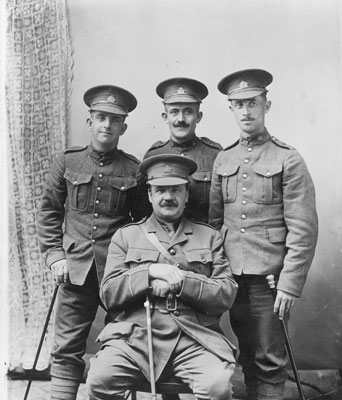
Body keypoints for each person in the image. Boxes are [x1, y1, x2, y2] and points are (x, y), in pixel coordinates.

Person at [87, 154, 238, 400]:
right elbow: (109, 294)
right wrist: (148, 272)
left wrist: (183, 282)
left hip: (192, 338)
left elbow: (226, 293)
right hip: (135, 338)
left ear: (187, 194)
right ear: (149, 195)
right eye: (160, 190)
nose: (168, 197)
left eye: (176, 190)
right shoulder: (126, 237)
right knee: (99, 380)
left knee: (217, 387)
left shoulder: (209, 237)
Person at [209, 69, 318, 400]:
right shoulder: (223, 159)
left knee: (270, 362)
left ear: (266, 105)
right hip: (232, 278)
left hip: (269, 281)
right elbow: (215, 224)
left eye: (252, 103)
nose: (246, 111)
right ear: (230, 108)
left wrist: (289, 283)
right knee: (247, 359)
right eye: (238, 104)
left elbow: (303, 229)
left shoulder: (288, 158)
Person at [38, 85, 144, 400]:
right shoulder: (67, 162)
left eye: (114, 120)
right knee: (67, 346)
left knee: (119, 343)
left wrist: (133, 267)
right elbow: (48, 213)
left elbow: (141, 223)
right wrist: (55, 256)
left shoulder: (133, 169)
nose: (106, 125)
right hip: (74, 269)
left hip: (116, 273)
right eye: (100, 117)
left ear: (123, 126)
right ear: (90, 121)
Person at [141, 77, 222, 223]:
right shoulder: (153, 155)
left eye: (188, 112)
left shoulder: (215, 155)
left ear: (199, 117)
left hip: (204, 240)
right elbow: (143, 210)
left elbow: (221, 209)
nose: (181, 119)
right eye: (174, 112)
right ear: (165, 117)